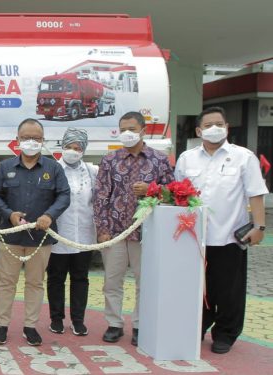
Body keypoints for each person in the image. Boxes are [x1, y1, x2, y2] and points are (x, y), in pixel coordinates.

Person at [175, 107, 268, 354]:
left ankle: (225, 334)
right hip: (194, 238)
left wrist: (259, 226)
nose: (214, 128)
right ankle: (198, 326)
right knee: (199, 289)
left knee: (229, 290)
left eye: (219, 124)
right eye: (208, 125)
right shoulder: (187, 158)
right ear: (199, 130)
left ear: (227, 127)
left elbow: (256, 193)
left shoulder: (243, 157)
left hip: (229, 237)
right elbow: (177, 195)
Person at [94, 111, 174, 346]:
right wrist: (102, 229)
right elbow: (100, 196)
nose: (127, 134)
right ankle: (114, 324)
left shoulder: (159, 160)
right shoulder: (110, 160)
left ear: (143, 130)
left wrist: (152, 189)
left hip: (148, 233)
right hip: (115, 232)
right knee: (112, 280)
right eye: (123, 130)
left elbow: (173, 192)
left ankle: (140, 324)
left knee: (144, 281)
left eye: (131, 129)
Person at [0, 118, 70, 346]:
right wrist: (9, 214)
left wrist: (49, 215)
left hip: (41, 238)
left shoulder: (53, 168)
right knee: (6, 282)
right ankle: (2, 325)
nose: (31, 142)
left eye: (36, 138)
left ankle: (30, 326)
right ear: (17, 140)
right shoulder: (5, 167)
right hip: (11, 235)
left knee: (35, 283)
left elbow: (64, 195)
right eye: (26, 138)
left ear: (43, 141)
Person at [46, 128, 98, 337]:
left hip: (84, 233)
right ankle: (56, 319)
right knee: (56, 277)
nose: (73, 151)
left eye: (77, 148)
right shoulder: (52, 169)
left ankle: (78, 320)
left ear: (84, 150)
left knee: (80, 277)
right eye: (69, 147)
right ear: (62, 147)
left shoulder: (92, 171)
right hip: (59, 233)